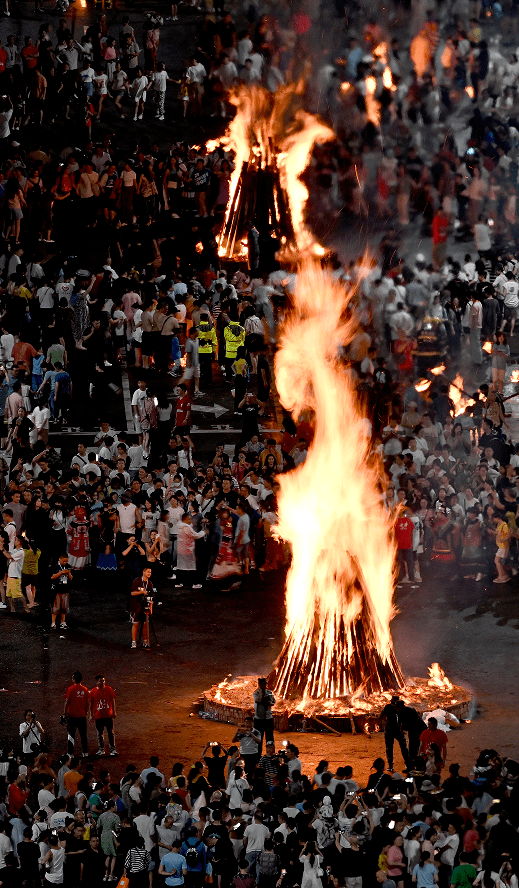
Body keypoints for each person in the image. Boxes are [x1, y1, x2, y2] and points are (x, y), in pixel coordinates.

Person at [63, 669, 90, 758]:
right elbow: (87, 703)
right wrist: (86, 712)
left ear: (74, 679)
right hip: (82, 716)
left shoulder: (70, 689)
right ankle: (85, 752)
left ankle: (71, 753)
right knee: (83, 735)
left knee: (71, 735)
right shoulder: (85, 690)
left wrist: (64, 713)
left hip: (72, 716)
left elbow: (67, 702)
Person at [90, 674, 118, 757]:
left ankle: (112, 750)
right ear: (96, 682)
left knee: (110, 733)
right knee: (100, 734)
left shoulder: (109, 689)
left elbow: (113, 701)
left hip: (108, 715)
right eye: (100, 681)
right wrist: (91, 714)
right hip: (99, 716)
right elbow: (91, 704)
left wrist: (114, 712)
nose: (102, 682)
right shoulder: (93, 692)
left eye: (103, 680)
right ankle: (101, 749)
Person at [130, 565, 155, 649]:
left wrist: (151, 608)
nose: (149, 574)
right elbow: (132, 593)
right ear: (143, 572)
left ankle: (145, 640)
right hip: (136, 605)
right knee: (135, 624)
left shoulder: (150, 584)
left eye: (150, 572)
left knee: (145, 624)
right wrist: (141, 592)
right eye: (148, 572)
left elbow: (152, 597)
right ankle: (133, 642)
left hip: (145, 606)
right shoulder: (137, 581)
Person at [253, 677, 275, 748]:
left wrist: (268, 702)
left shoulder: (269, 692)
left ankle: (271, 754)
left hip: (268, 718)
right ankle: (258, 755)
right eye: (263, 684)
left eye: (265, 684)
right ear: (259, 685)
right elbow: (259, 700)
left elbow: (273, 702)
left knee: (270, 738)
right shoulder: (256, 693)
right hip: (259, 718)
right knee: (259, 738)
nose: (265, 686)